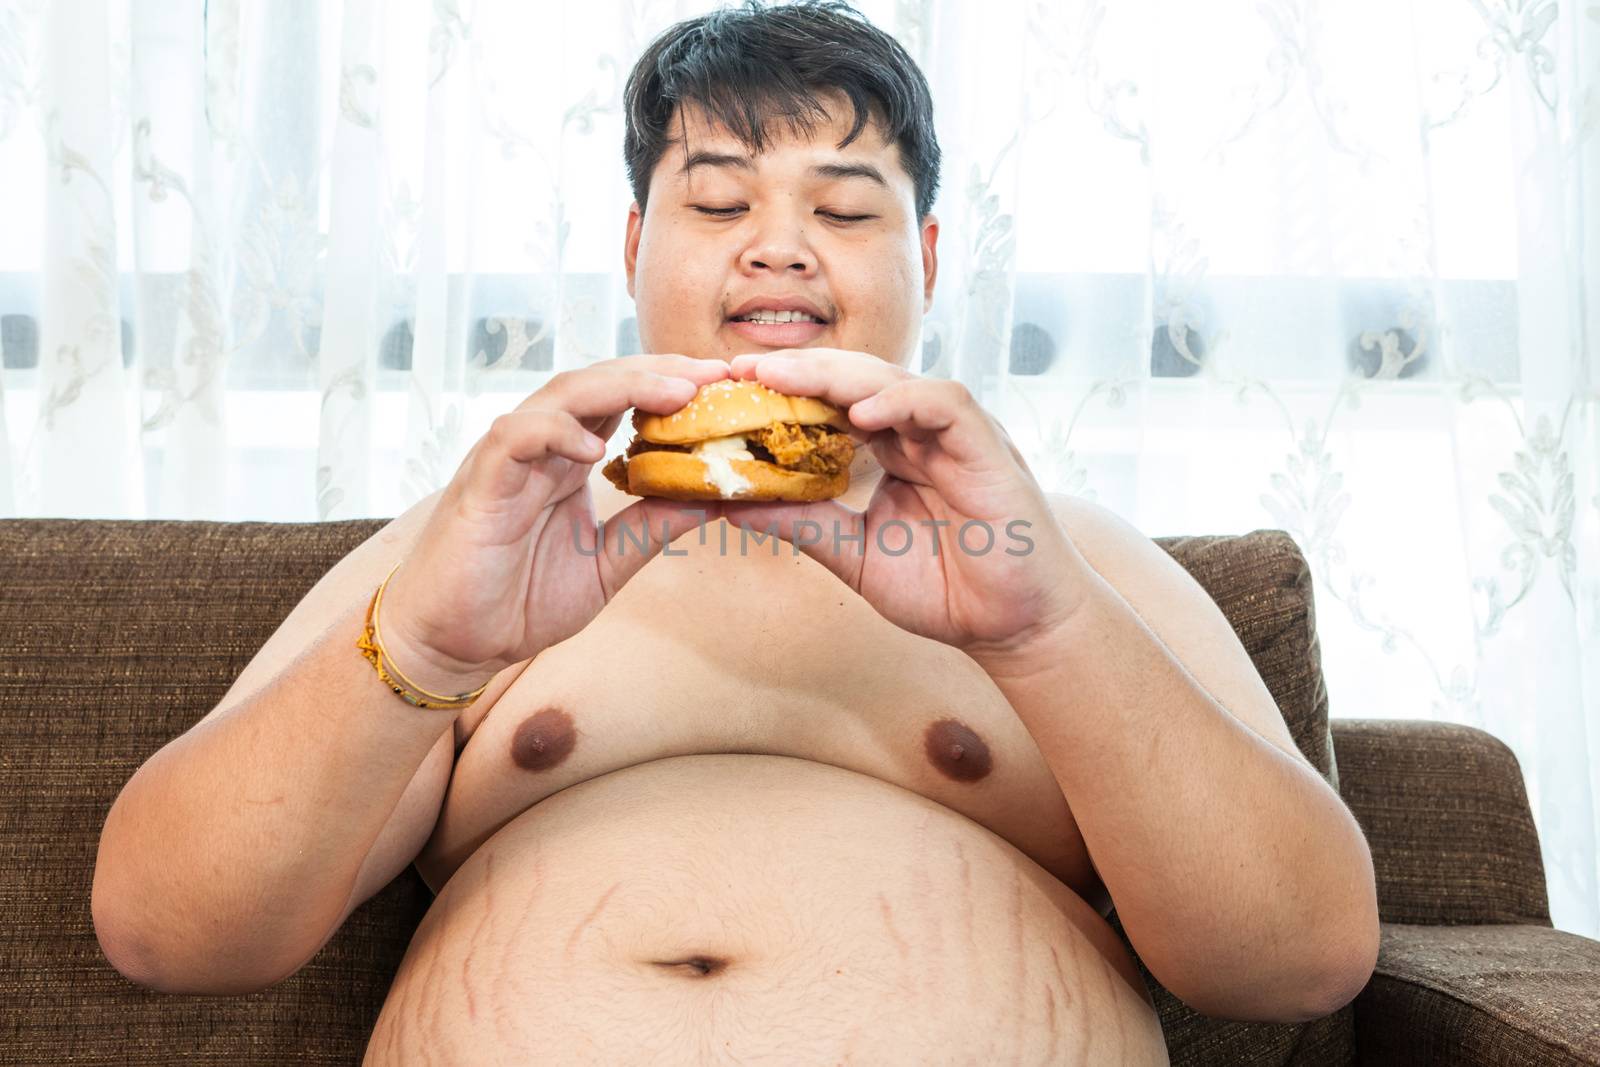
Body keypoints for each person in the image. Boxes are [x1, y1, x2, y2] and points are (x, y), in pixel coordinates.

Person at [91, 3, 1379, 1062]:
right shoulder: (474, 545)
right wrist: (427, 649)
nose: (778, 249)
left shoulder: (1070, 561)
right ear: (638, 247)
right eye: (718, 208)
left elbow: (1298, 963)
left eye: (845, 208)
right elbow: (167, 934)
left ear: (926, 257)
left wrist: (1048, 635)